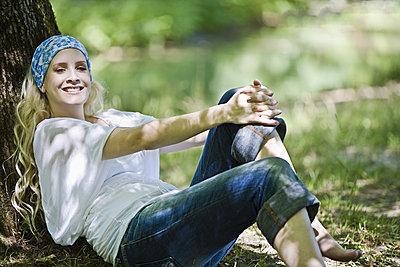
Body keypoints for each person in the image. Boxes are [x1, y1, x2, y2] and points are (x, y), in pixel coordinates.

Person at [10, 35, 361, 267]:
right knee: (262, 169)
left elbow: (193, 135)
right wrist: (225, 114)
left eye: (80, 67)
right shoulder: (54, 132)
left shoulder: (114, 118)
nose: (73, 76)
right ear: (42, 83)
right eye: (60, 69)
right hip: (141, 238)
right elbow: (141, 140)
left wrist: (238, 109)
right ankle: (310, 249)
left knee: (232, 102)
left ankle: (314, 228)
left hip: (180, 228)